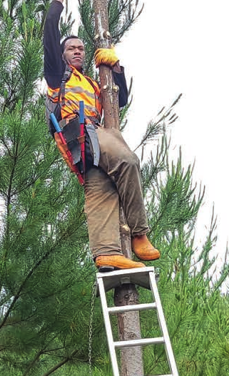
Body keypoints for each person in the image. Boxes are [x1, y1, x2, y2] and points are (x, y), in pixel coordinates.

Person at [44, 0, 160, 271]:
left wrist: (116, 68)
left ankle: (106, 253)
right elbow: (50, 33)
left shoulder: (94, 84)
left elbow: (119, 101)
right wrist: (58, 5)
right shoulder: (57, 76)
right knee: (127, 161)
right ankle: (139, 233)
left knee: (101, 190)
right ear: (61, 55)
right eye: (71, 48)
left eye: (80, 49)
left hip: (91, 143)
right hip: (81, 135)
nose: (77, 52)